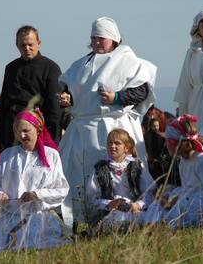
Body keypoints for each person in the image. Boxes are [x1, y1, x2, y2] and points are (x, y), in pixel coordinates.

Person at [58, 16, 157, 228]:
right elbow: (71, 89)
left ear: (113, 39)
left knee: (119, 176)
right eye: (93, 38)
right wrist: (67, 97)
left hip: (113, 127)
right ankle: (81, 220)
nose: (96, 42)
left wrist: (117, 98)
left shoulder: (127, 60)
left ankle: (128, 217)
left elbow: (142, 90)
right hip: (83, 130)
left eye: (101, 38)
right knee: (78, 175)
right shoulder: (80, 65)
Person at [0, 109, 70, 258]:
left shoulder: (51, 155)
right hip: (6, 216)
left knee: (34, 249)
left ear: (38, 129)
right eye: (18, 131)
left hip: (37, 216)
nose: (22, 136)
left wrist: (37, 194)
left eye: (26, 131)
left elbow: (61, 188)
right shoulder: (8, 154)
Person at [140, 115, 203, 229]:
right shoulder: (183, 162)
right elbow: (188, 189)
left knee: (187, 206)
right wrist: (172, 199)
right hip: (197, 201)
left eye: (168, 141)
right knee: (158, 203)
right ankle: (154, 223)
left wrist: (183, 200)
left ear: (180, 143)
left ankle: (168, 225)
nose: (165, 144)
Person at [0, 25, 62, 153]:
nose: (27, 48)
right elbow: (3, 104)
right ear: (17, 45)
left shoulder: (50, 68)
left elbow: (54, 109)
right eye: (22, 45)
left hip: (38, 131)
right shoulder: (11, 68)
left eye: (30, 44)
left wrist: (53, 141)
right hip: (12, 131)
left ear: (39, 43)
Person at [86, 129, 153, 229]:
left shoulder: (137, 166)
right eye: (110, 143)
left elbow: (150, 192)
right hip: (110, 213)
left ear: (126, 148)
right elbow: (91, 198)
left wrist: (138, 204)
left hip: (135, 211)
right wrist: (109, 204)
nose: (112, 146)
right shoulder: (100, 168)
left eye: (117, 143)